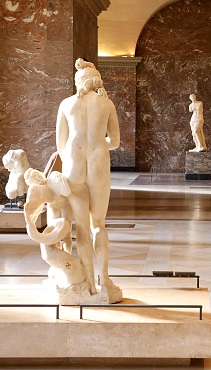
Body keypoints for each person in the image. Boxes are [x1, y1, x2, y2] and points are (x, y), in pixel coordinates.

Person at [56, 58, 122, 302]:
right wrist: (99, 143)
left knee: (82, 227)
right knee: (99, 225)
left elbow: (60, 144)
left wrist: (73, 156)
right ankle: (103, 280)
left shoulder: (66, 104)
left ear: (77, 82)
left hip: (74, 168)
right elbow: (114, 142)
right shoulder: (106, 104)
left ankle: (88, 285)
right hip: (99, 168)